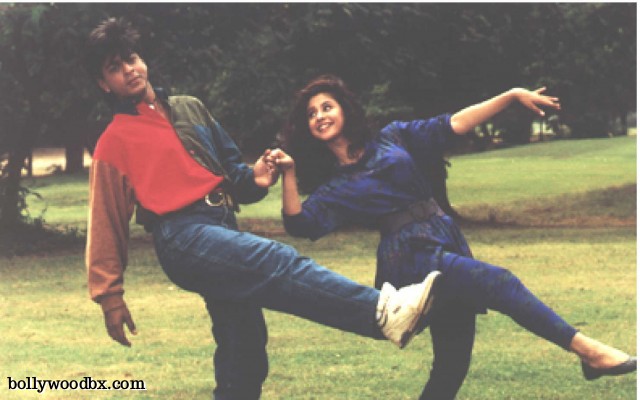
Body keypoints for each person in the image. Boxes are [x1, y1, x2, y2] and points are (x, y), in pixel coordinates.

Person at [84, 18, 443, 400]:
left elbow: (235, 173)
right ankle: (382, 313)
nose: (129, 70)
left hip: (222, 226)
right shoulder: (112, 142)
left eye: (131, 58)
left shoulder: (190, 108)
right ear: (104, 83)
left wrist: (256, 177)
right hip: (183, 237)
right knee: (275, 260)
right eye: (115, 67)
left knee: (245, 349)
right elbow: (106, 220)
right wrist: (110, 296)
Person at [269, 74, 636, 399]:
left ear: (345, 109)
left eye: (327, 107)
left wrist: (510, 96)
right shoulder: (335, 186)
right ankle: (589, 352)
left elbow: (454, 123)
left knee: (452, 363)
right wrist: (289, 173)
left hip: (445, 238)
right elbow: (300, 224)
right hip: (410, 258)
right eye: (312, 114)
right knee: (500, 281)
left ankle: (589, 356)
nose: (320, 116)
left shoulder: (392, 137)